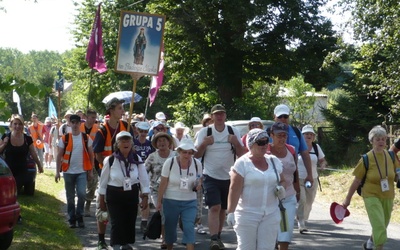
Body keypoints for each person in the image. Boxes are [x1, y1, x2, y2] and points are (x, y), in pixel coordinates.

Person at [194, 104, 245, 250]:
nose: (219, 116)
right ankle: (214, 238)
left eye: (222, 113)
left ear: (225, 115)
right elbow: (196, 155)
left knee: (223, 208)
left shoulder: (233, 131)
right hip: (210, 175)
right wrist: (204, 144)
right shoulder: (205, 132)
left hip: (229, 176)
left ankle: (218, 235)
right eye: (216, 114)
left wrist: (235, 142)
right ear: (212, 117)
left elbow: (242, 154)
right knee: (214, 207)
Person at [227, 128, 284, 250]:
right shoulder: (242, 163)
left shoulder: (274, 161)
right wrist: (230, 212)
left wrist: (281, 189)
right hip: (247, 214)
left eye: (266, 141)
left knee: (267, 248)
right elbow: (234, 189)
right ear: (251, 144)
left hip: (271, 213)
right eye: (260, 142)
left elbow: (282, 179)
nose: (264, 145)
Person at [343, 126, 399, 250]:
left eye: (383, 139)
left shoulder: (391, 156)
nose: (381, 142)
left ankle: (369, 243)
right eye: (377, 139)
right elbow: (357, 180)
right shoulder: (366, 159)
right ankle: (378, 247)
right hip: (371, 196)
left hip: (388, 196)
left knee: (382, 225)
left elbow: (396, 175)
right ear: (372, 141)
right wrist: (347, 199)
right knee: (379, 226)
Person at [93, 97, 134, 250]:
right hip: (106, 172)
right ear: (111, 111)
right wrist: (108, 166)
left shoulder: (127, 126)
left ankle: (123, 240)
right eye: (120, 108)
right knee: (102, 206)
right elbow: (97, 153)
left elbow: (131, 147)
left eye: (123, 108)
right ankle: (101, 240)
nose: (123, 111)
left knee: (123, 208)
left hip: (124, 173)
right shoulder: (102, 130)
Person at [98, 131, 150, 250]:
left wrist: (145, 196)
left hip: (131, 194)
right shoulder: (110, 160)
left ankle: (125, 244)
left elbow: (143, 178)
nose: (125, 143)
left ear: (132, 143)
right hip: (114, 194)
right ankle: (116, 245)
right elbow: (103, 181)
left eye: (128, 141)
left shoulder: (137, 158)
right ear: (117, 144)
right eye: (122, 141)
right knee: (117, 221)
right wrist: (101, 199)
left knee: (129, 220)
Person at [157, 138, 202, 250]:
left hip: (190, 201)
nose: (187, 155)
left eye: (190, 152)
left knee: (189, 227)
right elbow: (163, 183)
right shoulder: (170, 162)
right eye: (184, 152)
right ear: (179, 151)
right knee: (170, 229)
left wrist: (198, 184)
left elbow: (199, 179)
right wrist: (159, 201)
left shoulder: (197, 164)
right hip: (171, 200)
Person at [55, 114, 94, 228]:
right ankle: (72, 218)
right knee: (70, 197)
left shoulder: (86, 138)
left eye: (77, 122)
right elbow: (59, 156)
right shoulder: (64, 139)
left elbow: (92, 155)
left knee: (82, 194)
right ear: (70, 124)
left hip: (82, 172)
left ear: (80, 123)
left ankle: (79, 215)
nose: (75, 124)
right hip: (68, 172)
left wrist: (90, 171)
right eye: (73, 122)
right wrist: (57, 172)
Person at [266, 122, 300, 250]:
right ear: (271, 135)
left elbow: (295, 172)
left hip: (288, 197)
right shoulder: (265, 151)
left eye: (284, 136)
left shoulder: (291, 150)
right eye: (279, 135)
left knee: (285, 232)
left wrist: (298, 191)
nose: (282, 139)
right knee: (271, 234)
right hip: (269, 199)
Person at [144, 132, 176, 249]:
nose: (162, 143)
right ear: (156, 144)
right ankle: (165, 239)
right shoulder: (152, 156)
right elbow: (143, 172)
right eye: (159, 141)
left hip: (173, 190)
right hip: (156, 190)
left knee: (173, 215)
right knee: (164, 213)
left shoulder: (176, 155)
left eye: (164, 140)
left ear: (169, 142)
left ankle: (174, 235)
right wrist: (142, 190)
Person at [0, 114, 43, 194]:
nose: (17, 126)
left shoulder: (27, 139)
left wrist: (39, 165)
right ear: (11, 125)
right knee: (10, 193)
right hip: (9, 171)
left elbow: (33, 153)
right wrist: (4, 144)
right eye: (15, 124)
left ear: (23, 126)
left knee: (15, 192)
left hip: (22, 171)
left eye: (20, 124)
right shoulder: (6, 137)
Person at [296, 124, 328, 233]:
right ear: (302, 135)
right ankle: (301, 223)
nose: (308, 136)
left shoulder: (316, 147)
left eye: (311, 134)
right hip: (299, 178)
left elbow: (322, 160)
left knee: (309, 202)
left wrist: (323, 165)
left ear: (313, 136)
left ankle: (303, 218)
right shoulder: (297, 147)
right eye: (306, 134)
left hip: (313, 179)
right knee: (302, 200)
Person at [273, 104, 313, 186]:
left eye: (285, 116)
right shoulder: (268, 132)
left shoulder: (296, 132)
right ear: (274, 117)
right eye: (280, 116)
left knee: (296, 197)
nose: (283, 119)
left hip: (292, 173)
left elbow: (305, 154)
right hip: (272, 174)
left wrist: (310, 174)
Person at [80, 109, 99, 217]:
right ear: (86, 117)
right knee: (81, 183)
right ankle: (81, 203)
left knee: (93, 183)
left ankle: (87, 205)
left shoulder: (97, 129)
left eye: (95, 118)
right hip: (80, 158)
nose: (93, 120)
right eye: (92, 117)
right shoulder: (79, 127)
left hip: (93, 159)